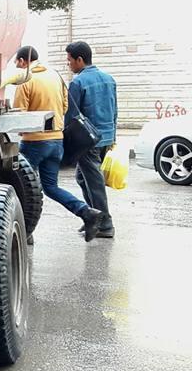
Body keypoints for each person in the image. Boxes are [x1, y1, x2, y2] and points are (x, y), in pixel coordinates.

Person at [13, 46, 104, 241]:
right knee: (51, 187)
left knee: (22, 185)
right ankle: (86, 212)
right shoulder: (55, 75)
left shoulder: (25, 81)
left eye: (16, 63)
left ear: (23, 61)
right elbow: (65, 106)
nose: (16, 66)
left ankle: (25, 232)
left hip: (34, 142)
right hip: (56, 141)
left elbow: (18, 116)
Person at [66, 41, 118, 238]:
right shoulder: (109, 79)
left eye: (70, 60)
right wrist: (113, 136)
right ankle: (93, 217)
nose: (69, 64)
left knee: (94, 182)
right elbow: (115, 109)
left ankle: (105, 224)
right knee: (82, 178)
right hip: (105, 136)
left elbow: (71, 115)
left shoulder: (78, 83)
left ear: (80, 60)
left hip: (88, 141)